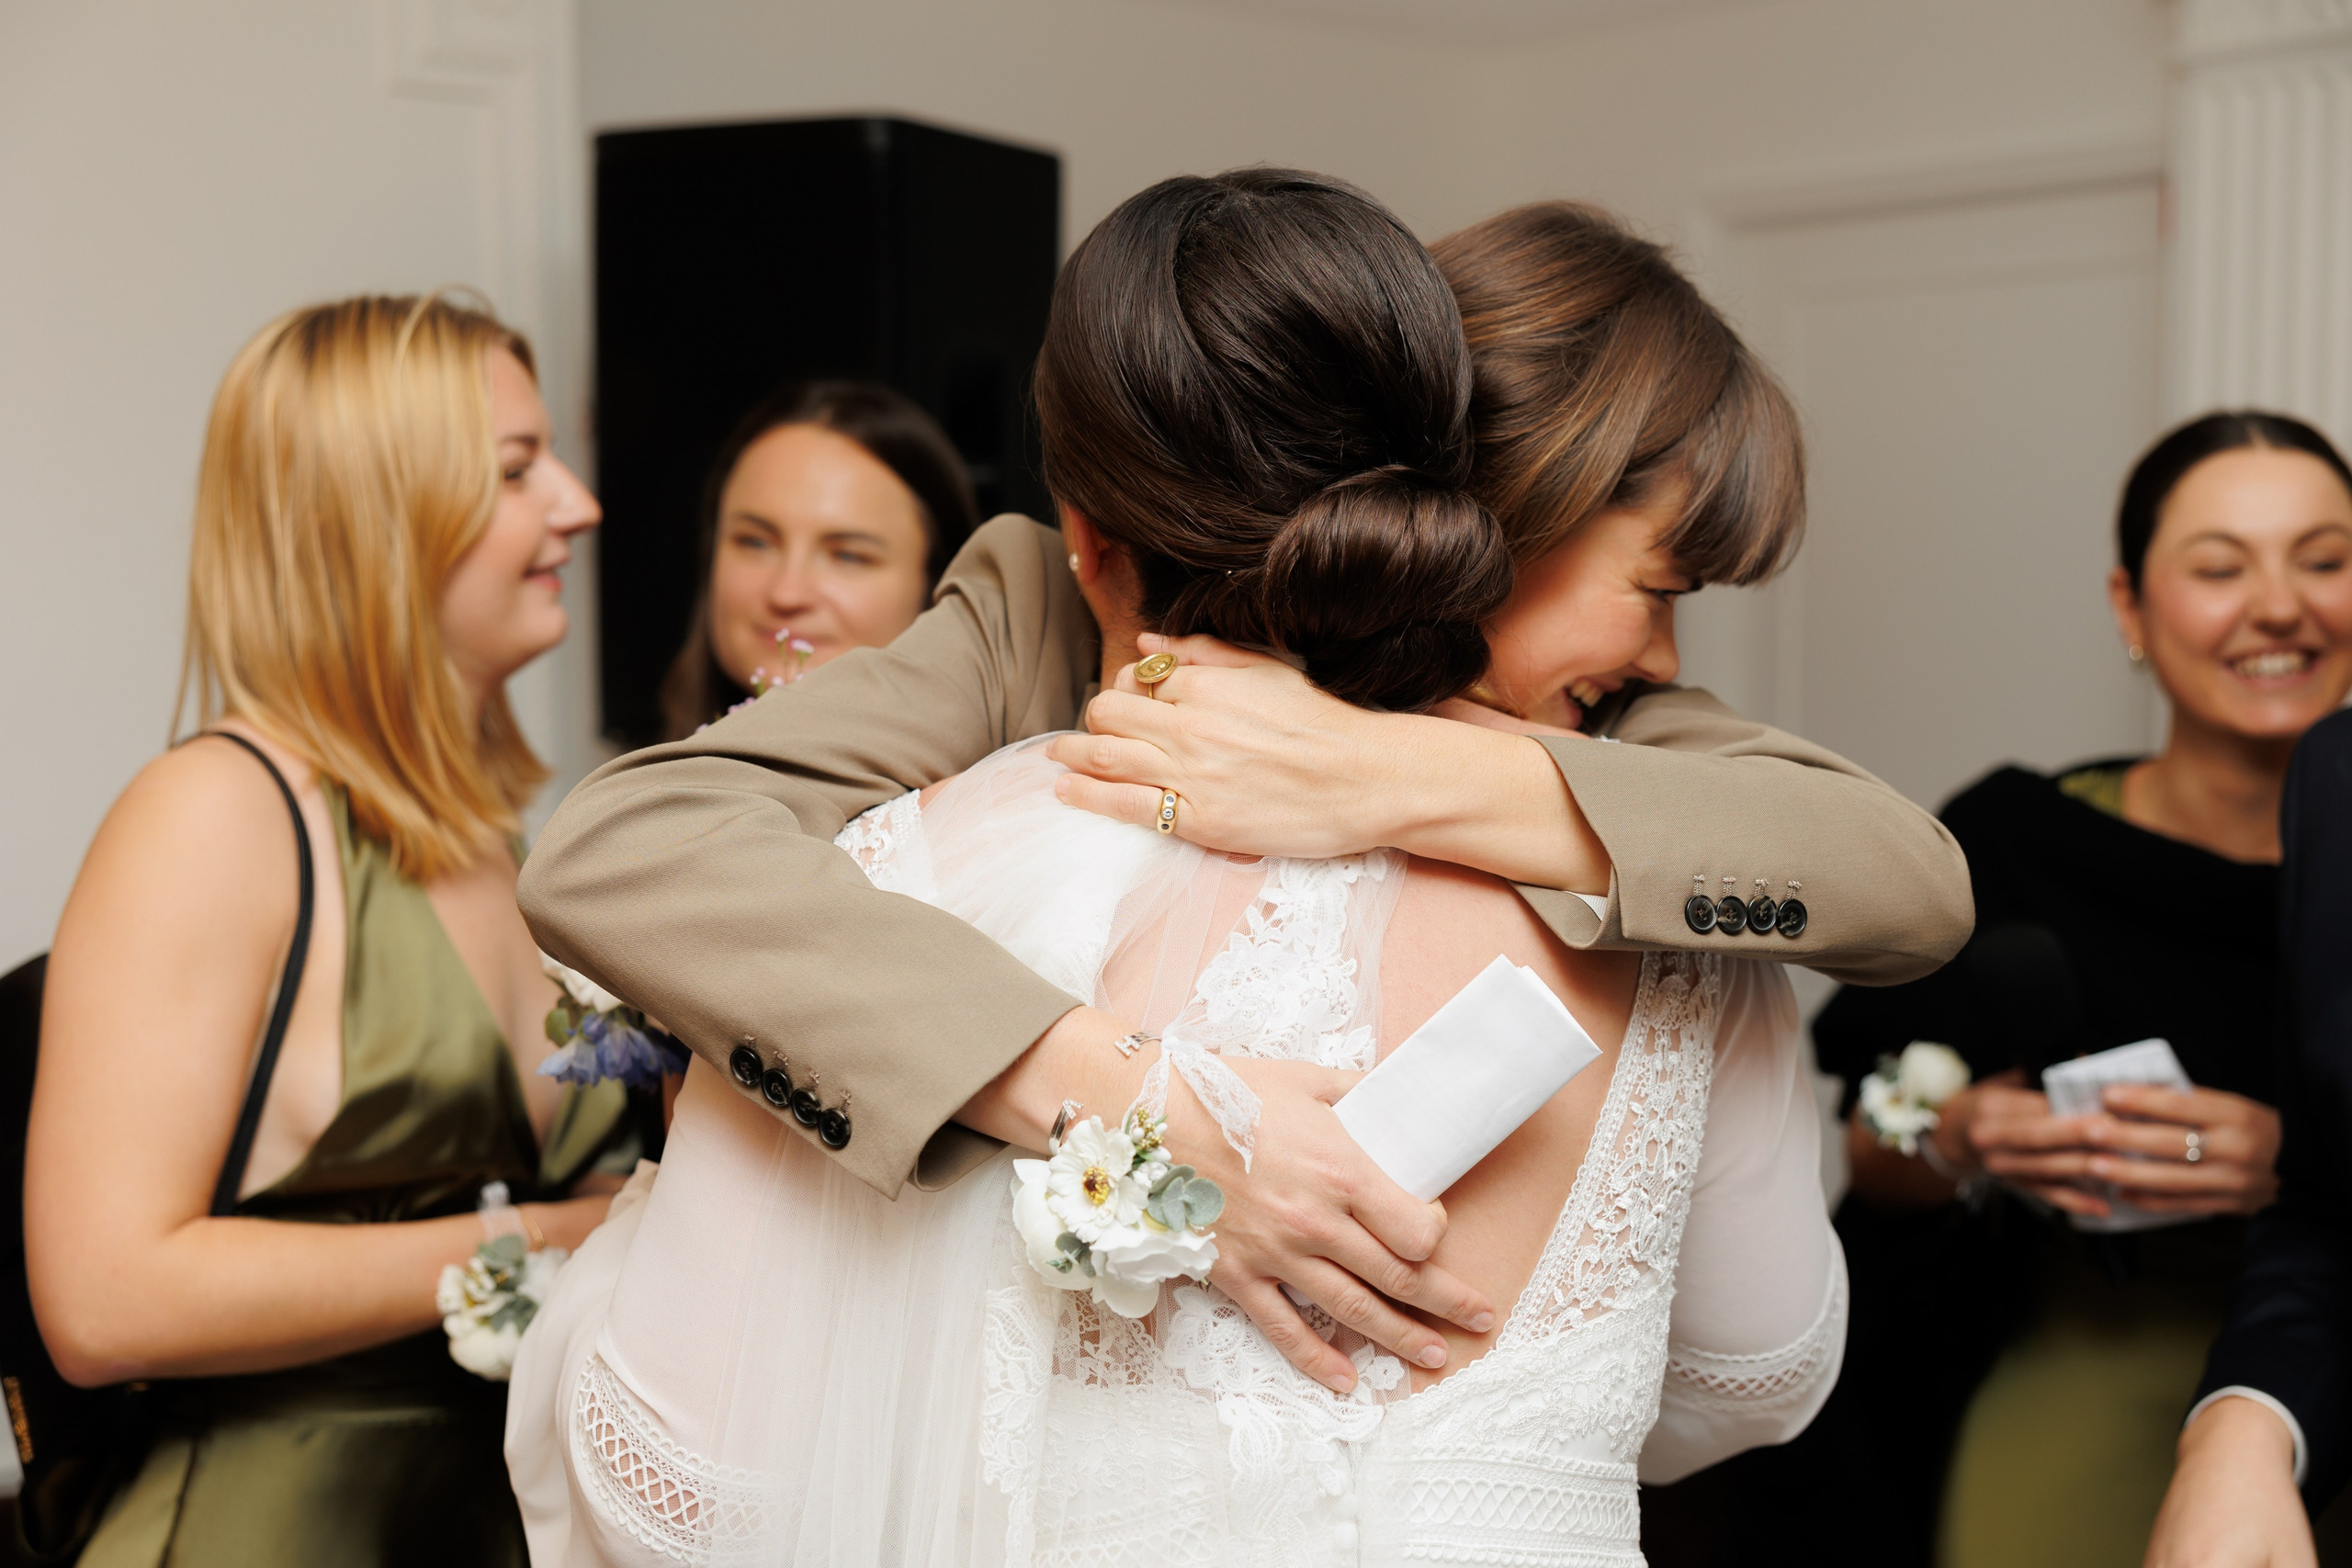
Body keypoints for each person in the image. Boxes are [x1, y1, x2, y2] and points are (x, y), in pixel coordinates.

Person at [509, 164, 1844, 1566]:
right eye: (1661, 591)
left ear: (1089, 530)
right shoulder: (1663, 900)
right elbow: (1759, 1362)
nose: (1665, 656)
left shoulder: (899, 879)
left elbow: (683, 1486)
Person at [26, 296, 634, 1568]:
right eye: (518, 469)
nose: (576, 503)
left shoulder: (499, 842)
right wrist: (560, 1234)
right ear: (381, 516)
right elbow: (103, 1296)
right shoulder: (211, 817)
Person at [1766, 412, 2352, 1568]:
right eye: (2219, 568)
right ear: (2131, 609)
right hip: (2092, 1334)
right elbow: (1875, 1152)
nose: (2279, 606)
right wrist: (1965, 1133)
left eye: (2325, 562)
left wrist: (2291, 1161)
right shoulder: (2014, 842)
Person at [658, 381, 980, 739]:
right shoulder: (644, 787)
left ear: (938, 580)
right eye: (755, 542)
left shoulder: (996, 792)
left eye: (847, 555)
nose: (786, 593)